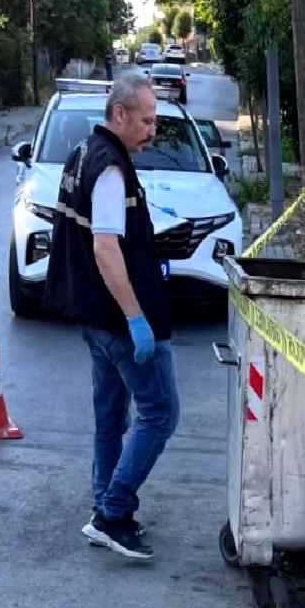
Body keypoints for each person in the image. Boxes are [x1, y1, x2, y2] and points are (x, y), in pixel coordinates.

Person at [43, 72, 179, 562]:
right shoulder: (110, 168)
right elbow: (105, 247)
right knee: (161, 414)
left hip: (93, 318)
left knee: (111, 417)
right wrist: (137, 318)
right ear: (118, 114)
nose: (151, 131)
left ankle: (105, 502)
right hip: (120, 320)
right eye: (145, 121)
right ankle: (113, 514)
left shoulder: (83, 153)